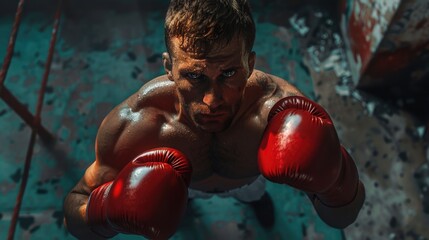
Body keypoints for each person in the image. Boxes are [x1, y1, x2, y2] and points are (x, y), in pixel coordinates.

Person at [63, 0, 365, 239]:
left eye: (229, 73)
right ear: (169, 68)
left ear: (249, 64)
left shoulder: (280, 113)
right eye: (194, 76)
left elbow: (343, 216)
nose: (212, 100)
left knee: (254, 194)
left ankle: (255, 201)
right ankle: (183, 204)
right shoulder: (137, 123)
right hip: (188, 187)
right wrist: (105, 208)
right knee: (168, 199)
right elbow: (75, 211)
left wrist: (335, 184)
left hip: (248, 182)